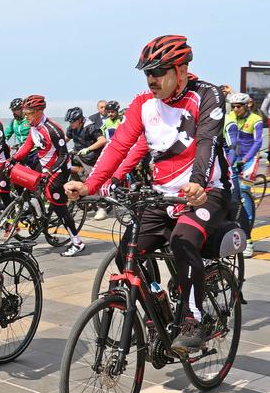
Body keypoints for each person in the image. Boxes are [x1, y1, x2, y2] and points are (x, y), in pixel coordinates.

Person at [66, 35, 229, 354]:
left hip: (206, 192)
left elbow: (206, 143)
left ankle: (194, 319)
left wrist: (197, 182)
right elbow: (119, 146)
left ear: (181, 70)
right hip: (162, 196)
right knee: (127, 250)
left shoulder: (206, 95)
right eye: (147, 73)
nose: (151, 79)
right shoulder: (143, 104)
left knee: (183, 241)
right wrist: (90, 185)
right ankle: (157, 311)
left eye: (158, 72)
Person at [11, 95, 86, 256]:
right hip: (43, 165)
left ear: (38, 111)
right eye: (24, 113)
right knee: (21, 178)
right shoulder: (34, 126)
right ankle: (38, 211)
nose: (26, 116)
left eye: (28, 113)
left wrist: (50, 172)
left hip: (59, 169)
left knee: (59, 206)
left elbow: (63, 155)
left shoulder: (53, 129)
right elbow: (28, 145)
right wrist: (13, 159)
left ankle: (77, 242)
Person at [224, 92, 263, 257]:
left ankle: (249, 239)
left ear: (246, 106)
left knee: (245, 194)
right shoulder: (231, 117)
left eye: (239, 106)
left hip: (249, 160)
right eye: (233, 106)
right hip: (234, 160)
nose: (235, 109)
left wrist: (246, 159)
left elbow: (258, 142)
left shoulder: (255, 119)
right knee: (233, 196)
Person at [5, 97, 36, 166]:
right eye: (13, 110)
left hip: (34, 150)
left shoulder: (28, 120)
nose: (14, 112)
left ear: (22, 109)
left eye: (16, 109)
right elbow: (6, 135)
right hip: (22, 150)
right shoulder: (14, 122)